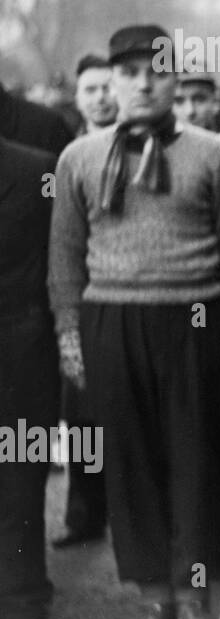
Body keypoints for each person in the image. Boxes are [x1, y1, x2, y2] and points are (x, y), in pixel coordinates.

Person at [47, 24, 220, 619]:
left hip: (195, 315)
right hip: (110, 318)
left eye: (156, 72)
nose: (143, 84)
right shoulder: (80, 158)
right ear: (112, 81)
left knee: (194, 458)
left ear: (175, 81)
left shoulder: (213, 155)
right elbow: (65, 254)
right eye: (130, 73)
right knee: (131, 463)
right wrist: (69, 334)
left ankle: (195, 597)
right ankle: (153, 600)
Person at [50, 56, 116, 552]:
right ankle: (85, 511)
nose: (100, 97)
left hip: (125, 295)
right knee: (83, 417)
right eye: (90, 89)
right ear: (78, 97)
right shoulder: (67, 154)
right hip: (84, 296)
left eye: (106, 87)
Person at [0, 136, 60, 619]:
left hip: (22, 359)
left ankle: (23, 608)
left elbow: (57, 261)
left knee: (20, 482)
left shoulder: (38, 169)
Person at [73, 55, 118, 132]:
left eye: (107, 89)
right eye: (90, 90)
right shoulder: (66, 142)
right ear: (77, 100)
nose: (100, 97)